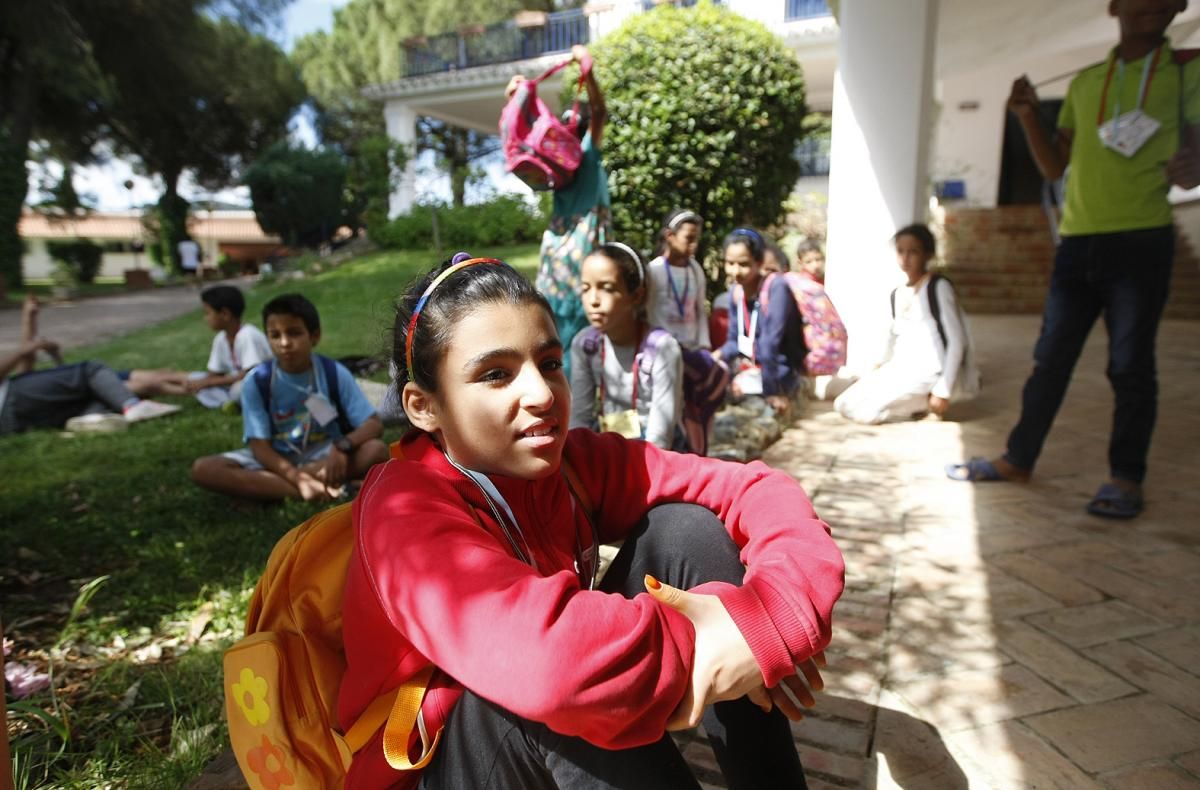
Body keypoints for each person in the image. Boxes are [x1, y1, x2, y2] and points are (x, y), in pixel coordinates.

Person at [337, 253, 844, 789]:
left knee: (685, 531)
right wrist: (725, 639)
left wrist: (774, 615)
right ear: (423, 407)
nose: (539, 394)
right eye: (495, 374)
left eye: (549, 363)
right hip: (424, 766)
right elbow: (550, 665)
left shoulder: (573, 463)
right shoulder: (401, 504)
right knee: (549, 684)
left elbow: (753, 485)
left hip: (540, 702)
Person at [946, 0, 1200, 519]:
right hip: (1077, 241)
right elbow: (1054, 164)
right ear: (1114, 6)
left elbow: (1193, 164)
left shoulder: (1190, 71)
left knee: (1130, 366)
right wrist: (1025, 116)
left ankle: (1125, 478)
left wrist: (1194, 164)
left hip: (1142, 239)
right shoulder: (1087, 82)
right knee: (1049, 362)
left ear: (1179, 5)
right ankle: (1019, 458)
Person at [190, 293, 389, 502]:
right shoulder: (257, 382)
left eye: (294, 333)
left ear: (314, 336)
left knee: (375, 450)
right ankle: (326, 489)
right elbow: (259, 446)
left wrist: (342, 447)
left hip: (324, 454)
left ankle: (269, 488)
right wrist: (297, 477)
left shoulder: (333, 373)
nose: (284, 343)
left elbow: (373, 424)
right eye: (275, 335)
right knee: (204, 469)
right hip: (275, 459)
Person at [511, 45, 610, 375]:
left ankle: (554, 380)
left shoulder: (554, 160)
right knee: (583, 327)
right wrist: (589, 72)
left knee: (555, 325)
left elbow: (524, 133)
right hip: (582, 249)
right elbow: (600, 111)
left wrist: (516, 96)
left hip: (556, 250)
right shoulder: (586, 155)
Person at [835, 224, 971, 424]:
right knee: (843, 404)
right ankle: (911, 406)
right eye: (901, 251)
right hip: (900, 369)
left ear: (927, 254)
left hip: (928, 373)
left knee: (866, 412)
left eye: (913, 252)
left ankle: (920, 405)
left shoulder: (937, 288)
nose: (906, 258)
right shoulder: (898, 293)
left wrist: (943, 390)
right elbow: (895, 336)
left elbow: (957, 341)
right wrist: (878, 367)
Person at [0, 296, 180, 435]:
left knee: (93, 397)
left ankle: (92, 418)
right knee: (89, 370)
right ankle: (132, 405)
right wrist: (26, 349)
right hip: (13, 398)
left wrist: (29, 321)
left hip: (12, 422)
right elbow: (17, 376)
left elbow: (23, 373)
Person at [570, 242, 685, 450]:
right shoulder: (585, 345)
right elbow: (579, 418)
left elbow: (661, 437)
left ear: (636, 295)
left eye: (607, 288)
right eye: (585, 288)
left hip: (657, 455)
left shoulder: (662, 349)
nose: (593, 300)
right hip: (609, 447)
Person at [647, 209, 728, 454]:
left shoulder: (695, 270)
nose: (694, 244)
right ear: (670, 236)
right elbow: (648, 311)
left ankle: (696, 449)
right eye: (688, 238)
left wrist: (704, 344)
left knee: (713, 380)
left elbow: (699, 310)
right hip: (667, 349)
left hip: (693, 348)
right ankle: (685, 448)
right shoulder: (655, 271)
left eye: (696, 238)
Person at [715, 228, 805, 415]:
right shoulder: (736, 293)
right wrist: (714, 357)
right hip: (750, 374)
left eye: (744, 264)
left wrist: (772, 391)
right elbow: (734, 340)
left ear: (759, 263)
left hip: (779, 378)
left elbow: (770, 343)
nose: (735, 271)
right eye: (729, 263)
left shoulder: (776, 288)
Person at [763, 239, 850, 399]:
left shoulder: (817, 283)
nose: (815, 265)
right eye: (809, 261)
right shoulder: (794, 283)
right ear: (800, 262)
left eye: (818, 259)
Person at [187, 285, 273, 408]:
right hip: (235, 382)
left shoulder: (248, 335)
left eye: (208, 313)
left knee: (240, 389)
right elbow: (215, 373)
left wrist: (208, 382)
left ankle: (228, 401)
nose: (205, 318)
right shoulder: (221, 339)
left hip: (261, 382)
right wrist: (201, 382)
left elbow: (251, 374)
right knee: (196, 378)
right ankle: (227, 402)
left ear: (225, 314)